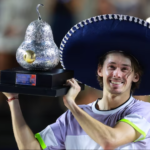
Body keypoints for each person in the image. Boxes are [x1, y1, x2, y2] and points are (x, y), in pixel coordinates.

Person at [2, 14, 150, 149]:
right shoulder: (71, 118)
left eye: (125, 69)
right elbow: (29, 148)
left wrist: (72, 105)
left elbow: (109, 141)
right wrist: (13, 99)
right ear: (99, 70)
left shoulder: (144, 111)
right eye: (111, 67)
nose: (117, 74)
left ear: (135, 76)